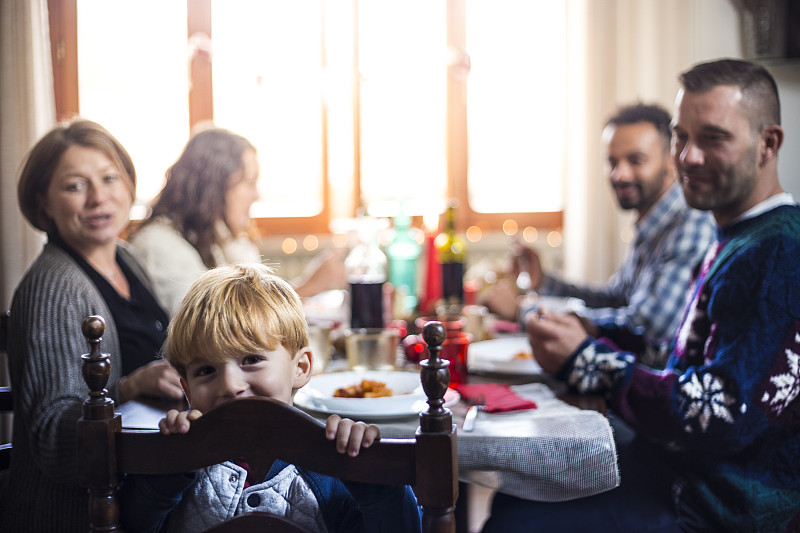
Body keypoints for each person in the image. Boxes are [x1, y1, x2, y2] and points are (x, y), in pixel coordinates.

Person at [481, 59, 800, 532]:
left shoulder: (774, 252)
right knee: (516, 494)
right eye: (681, 137)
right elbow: (682, 356)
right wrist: (589, 329)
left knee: (516, 521)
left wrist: (587, 359)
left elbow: (718, 411)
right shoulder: (740, 235)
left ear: (768, 144)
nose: (688, 157)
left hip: (717, 504)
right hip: (682, 474)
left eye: (713, 138)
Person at [118, 263, 422, 532]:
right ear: (186, 391)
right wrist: (167, 464)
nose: (230, 385)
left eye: (251, 360)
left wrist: (372, 477)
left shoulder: (332, 462)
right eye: (206, 370)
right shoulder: (180, 465)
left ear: (300, 368)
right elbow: (131, 523)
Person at [2, 119, 184, 532]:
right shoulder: (53, 286)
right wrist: (130, 385)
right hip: (75, 516)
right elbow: (51, 439)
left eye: (109, 179)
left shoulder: (125, 256)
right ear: (44, 202)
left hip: (145, 491)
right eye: (75, 186)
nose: (99, 198)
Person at [481, 104, 715, 356]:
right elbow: (614, 299)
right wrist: (545, 282)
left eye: (636, 160)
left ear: (671, 161)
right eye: (612, 162)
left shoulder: (691, 224)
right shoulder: (650, 222)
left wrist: (525, 312)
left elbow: (645, 326)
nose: (619, 174)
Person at [128, 126, 346, 316]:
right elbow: (213, 326)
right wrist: (309, 287)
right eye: (249, 183)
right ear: (214, 187)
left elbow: (255, 305)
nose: (256, 195)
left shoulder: (217, 237)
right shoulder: (158, 244)